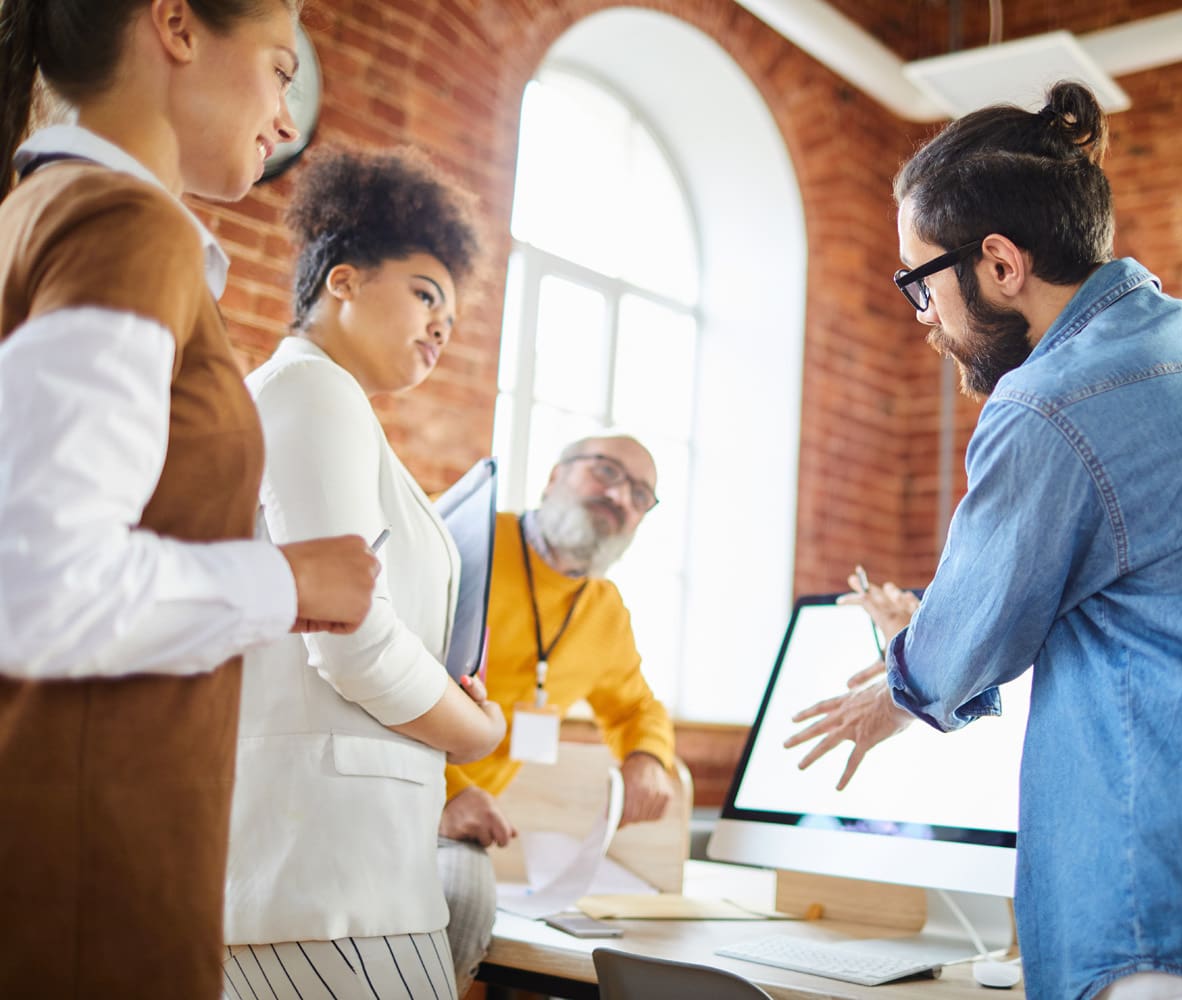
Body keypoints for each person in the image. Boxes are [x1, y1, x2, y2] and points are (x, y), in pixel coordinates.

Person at [787, 81, 1182, 999]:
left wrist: (892, 690)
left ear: (1000, 264)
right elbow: (1163, 590)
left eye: (920, 280)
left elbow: (969, 640)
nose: (922, 314)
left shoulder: (1051, 399)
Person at [0, 2, 381, 995]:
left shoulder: (40, 216)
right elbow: (41, 591)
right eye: (276, 66)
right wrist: (287, 576)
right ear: (175, 24)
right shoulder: (123, 232)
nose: (285, 115)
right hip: (88, 883)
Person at [221, 147, 508, 999]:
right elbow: (348, 635)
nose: (439, 328)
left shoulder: (326, 403)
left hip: (342, 879)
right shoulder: (314, 390)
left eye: (450, 319)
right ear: (341, 280)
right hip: (323, 888)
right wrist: (474, 731)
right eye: (425, 293)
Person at [438, 435, 677, 990]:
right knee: (460, 906)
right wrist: (446, 792)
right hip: (396, 786)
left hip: (471, 825)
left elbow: (636, 706)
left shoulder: (605, 610)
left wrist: (647, 757)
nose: (619, 495)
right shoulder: (465, 538)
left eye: (641, 494)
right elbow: (383, 669)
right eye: (606, 472)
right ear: (553, 477)